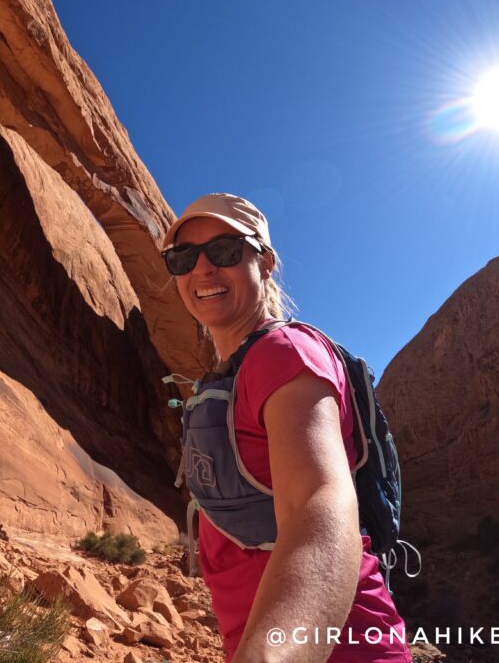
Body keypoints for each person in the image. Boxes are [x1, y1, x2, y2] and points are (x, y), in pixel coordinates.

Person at [161, 193, 411, 662]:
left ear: (266, 261)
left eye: (225, 251)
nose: (203, 269)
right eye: (183, 257)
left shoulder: (283, 354)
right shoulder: (229, 376)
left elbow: (316, 502)